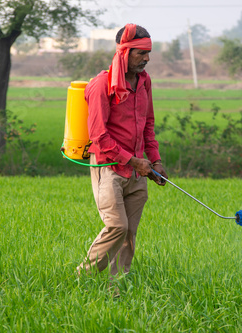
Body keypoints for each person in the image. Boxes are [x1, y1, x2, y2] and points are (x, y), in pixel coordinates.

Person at [77, 23, 168, 276]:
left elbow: (148, 125)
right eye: (141, 53)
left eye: (149, 52)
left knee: (129, 234)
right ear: (124, 52)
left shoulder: (144, 81)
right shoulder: (100, 85)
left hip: (138, 171)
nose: (147, 58)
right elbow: (99, 136)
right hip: (109, 167)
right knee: (117, 226)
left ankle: (116, 288)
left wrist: (156, 161)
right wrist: (133, 161)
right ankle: (83, 276)